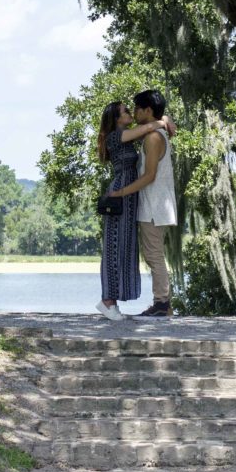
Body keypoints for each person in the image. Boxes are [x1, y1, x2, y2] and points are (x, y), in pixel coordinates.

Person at [95, 102, 174, 322]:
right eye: (125, 112)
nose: (130, 113)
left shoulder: (128, 136)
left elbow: (151, 137)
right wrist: (163, 120)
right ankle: (108, 301)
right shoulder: (116, 136)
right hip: (120, 194)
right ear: (116, 118)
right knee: (114, 246)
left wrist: (164, 120)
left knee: (125, 248)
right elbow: (148, 129)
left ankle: (113, 301)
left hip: (130, 198)